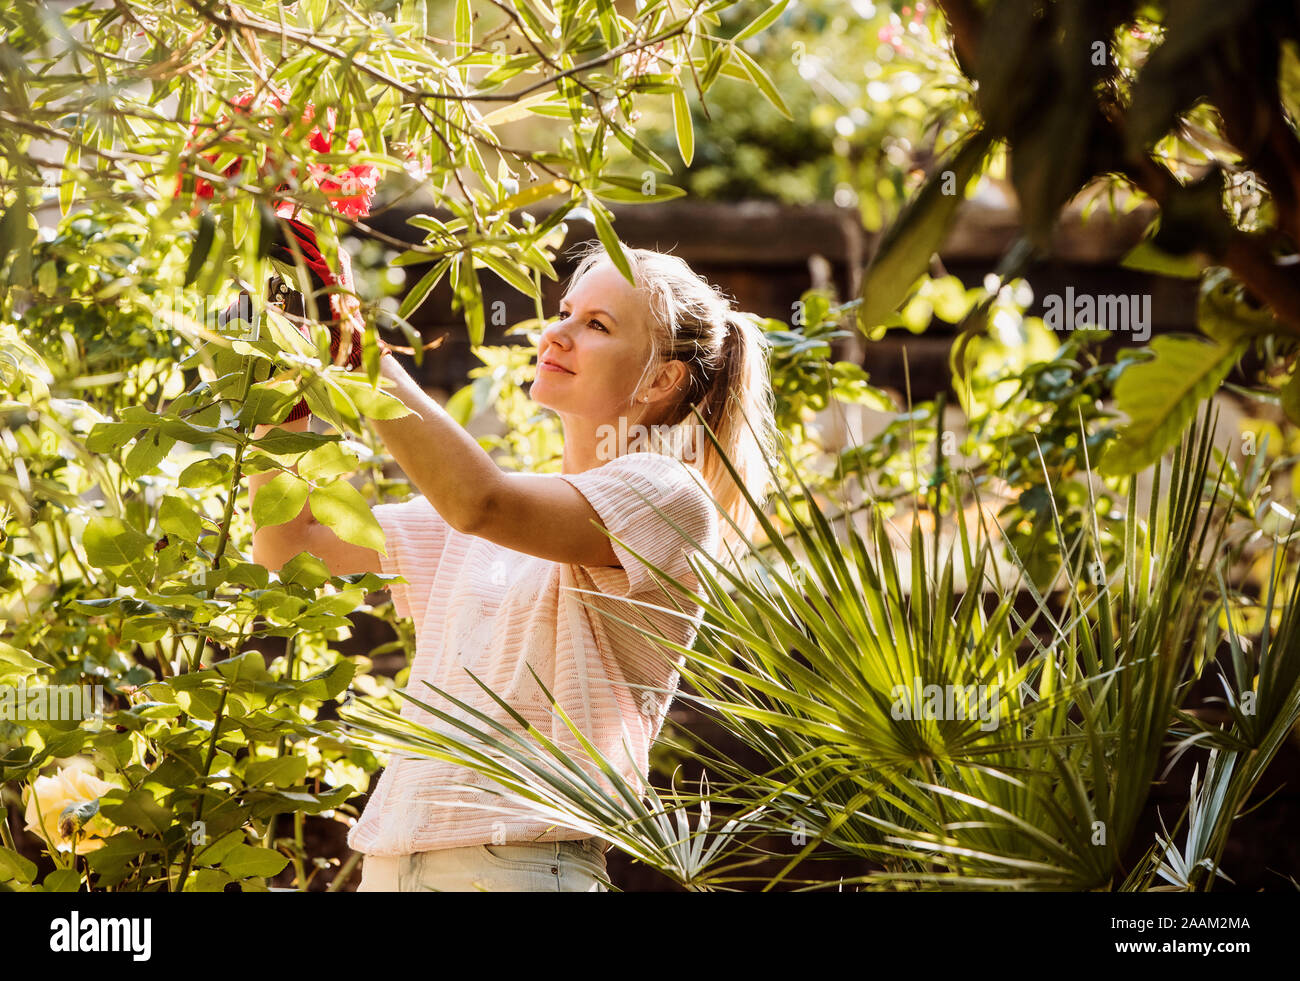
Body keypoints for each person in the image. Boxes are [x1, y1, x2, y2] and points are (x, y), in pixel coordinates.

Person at [248, 228, 779, 891]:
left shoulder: (667, 499)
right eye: (563, 314)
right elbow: (289, 545)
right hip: (393, 869)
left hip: (519, 872)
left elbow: (480, 500)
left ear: (662, 378)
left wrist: (356, 342)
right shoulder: (487, 525)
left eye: (596, 325)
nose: (556, 335)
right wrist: (289, 370)